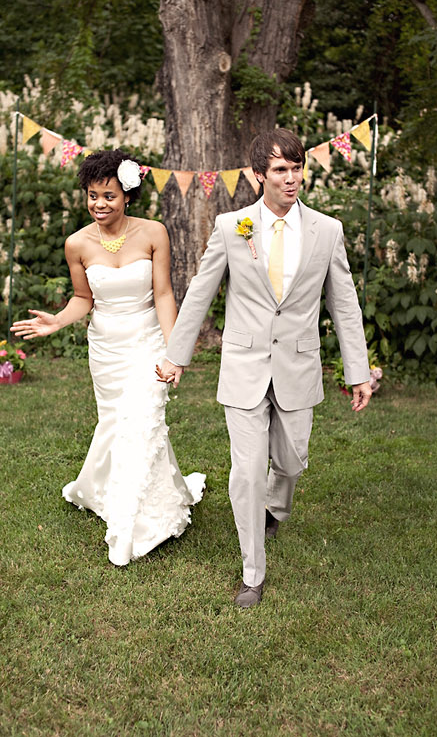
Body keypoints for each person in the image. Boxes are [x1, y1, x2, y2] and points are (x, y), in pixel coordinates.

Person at [158, 128, 371, 608]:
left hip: (298, 367)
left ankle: (278, 505)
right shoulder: (232, 226)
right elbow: (200, 293)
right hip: (244, 366)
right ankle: (253, 573)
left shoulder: (327, 230)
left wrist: (358, 370)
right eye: (281, 170)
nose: (292, 178)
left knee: (291, 462)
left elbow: (345, 304)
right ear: (259, 176)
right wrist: (176, 355)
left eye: (297, 168)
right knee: (247, 471)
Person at [11, 150, 205, 567]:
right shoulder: (77, 243)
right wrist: (57, 322)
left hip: (148, 342)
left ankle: (128, 525)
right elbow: (84, 298)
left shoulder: (154, 233)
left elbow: (165, 295)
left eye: (109, 196)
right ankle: (138, 492)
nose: (100, 204)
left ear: (127, 196)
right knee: (119, 425)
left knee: (142, 420)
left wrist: (175, 352)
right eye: (93, 196)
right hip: (106, 349)